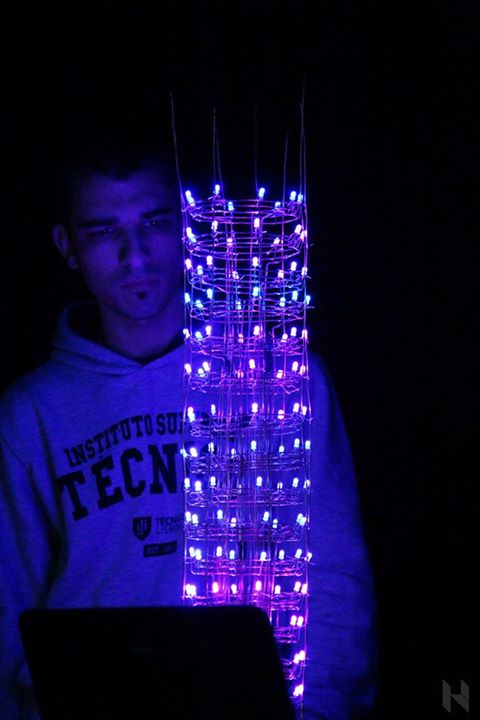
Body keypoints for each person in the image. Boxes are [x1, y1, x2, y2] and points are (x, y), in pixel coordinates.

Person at [0, 132, 378, 719]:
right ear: (67, 245)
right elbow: (8, 607)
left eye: (154, 222)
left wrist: (316, 712)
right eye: (103, 231)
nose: (135, 256)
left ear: (189, 227)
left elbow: (333, 575)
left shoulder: (279, 376)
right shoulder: (32, 412)